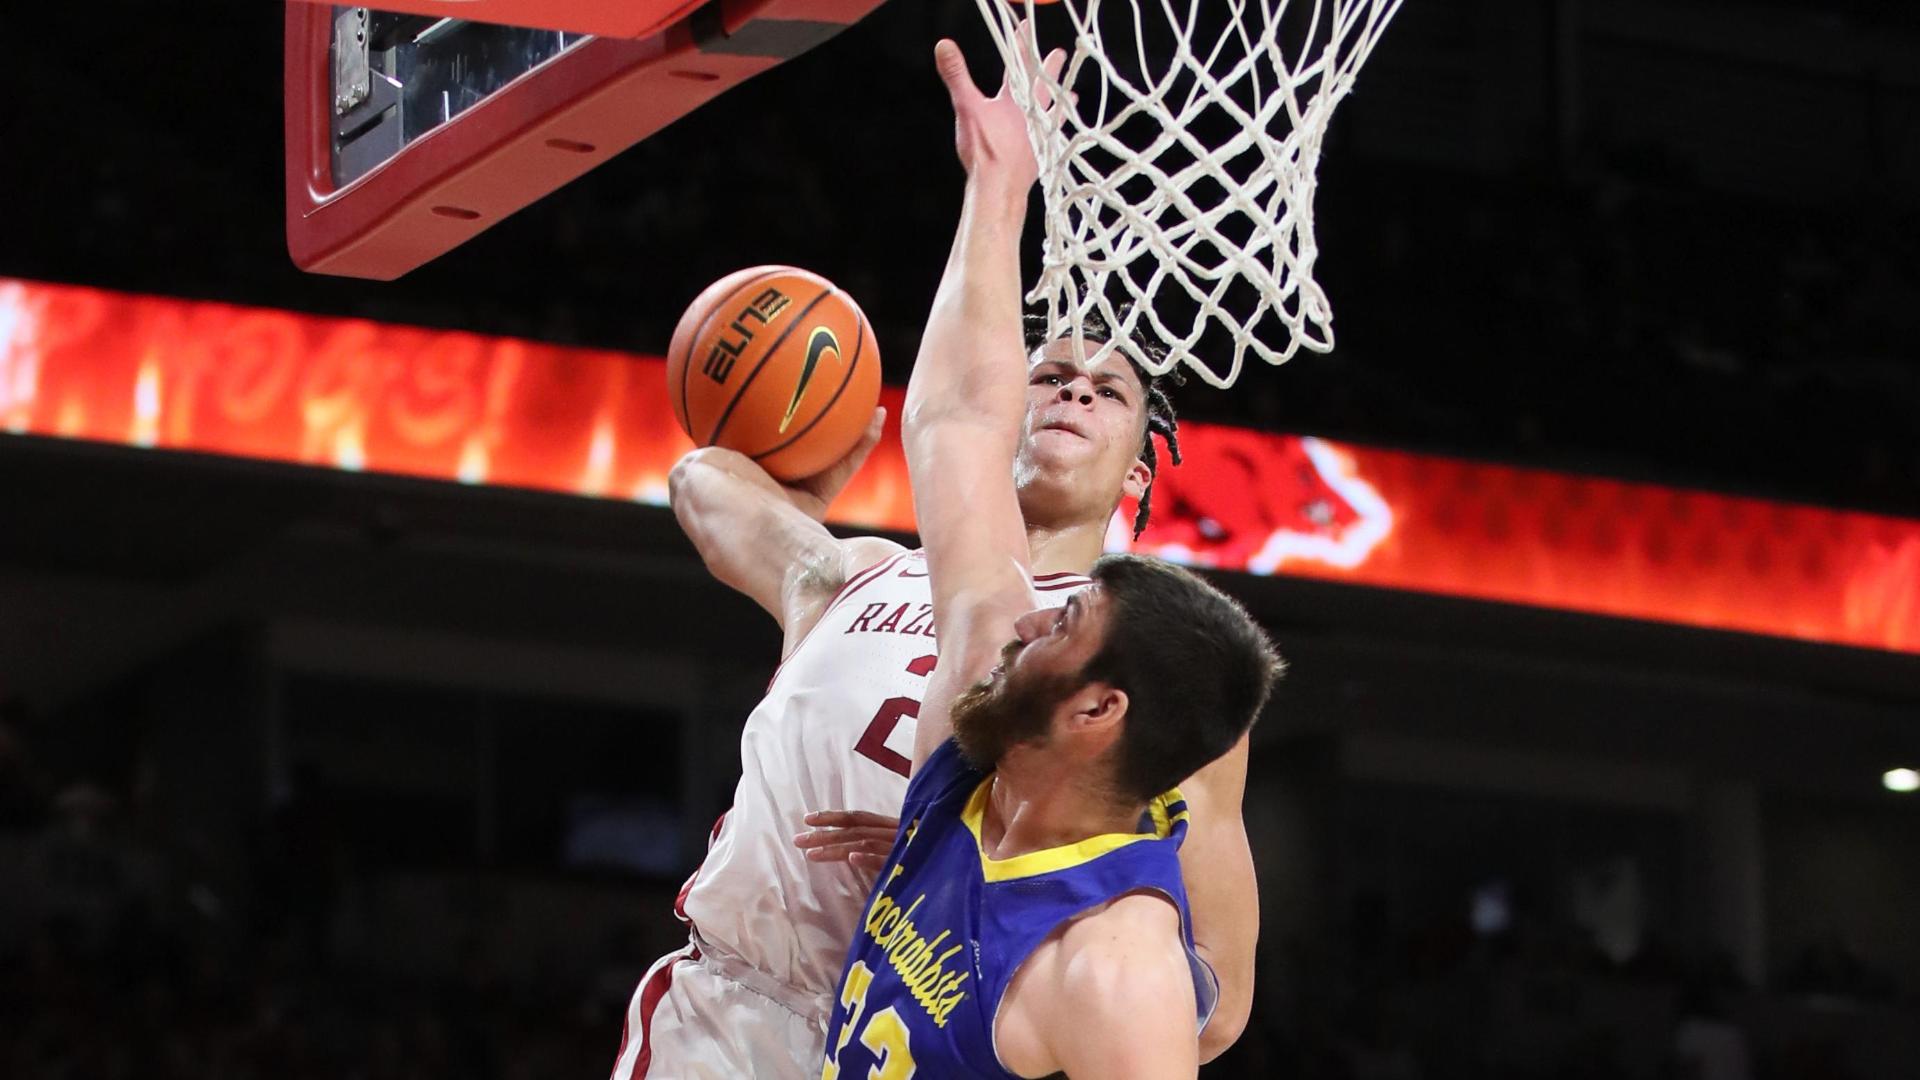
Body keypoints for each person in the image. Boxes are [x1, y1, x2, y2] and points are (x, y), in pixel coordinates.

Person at [610, 48, 1260, 1080]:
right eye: (1047, 373)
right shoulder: (895, 583)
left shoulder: (1138, 659)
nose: (1074, 392)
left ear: (1142, 469)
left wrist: (965, 886)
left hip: (932, 1031)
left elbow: (1214, 998)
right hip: (732, 1012)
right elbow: (714, 478)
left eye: (1110, 390)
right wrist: (996, 190)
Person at [815, 36, 1282, 1080]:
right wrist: (998, 187)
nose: (1032, 613)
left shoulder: (1115, 971)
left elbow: (1222, 1001)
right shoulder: (974, 729)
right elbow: (952, 429)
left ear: (1098, 710)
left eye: (1063, 624)